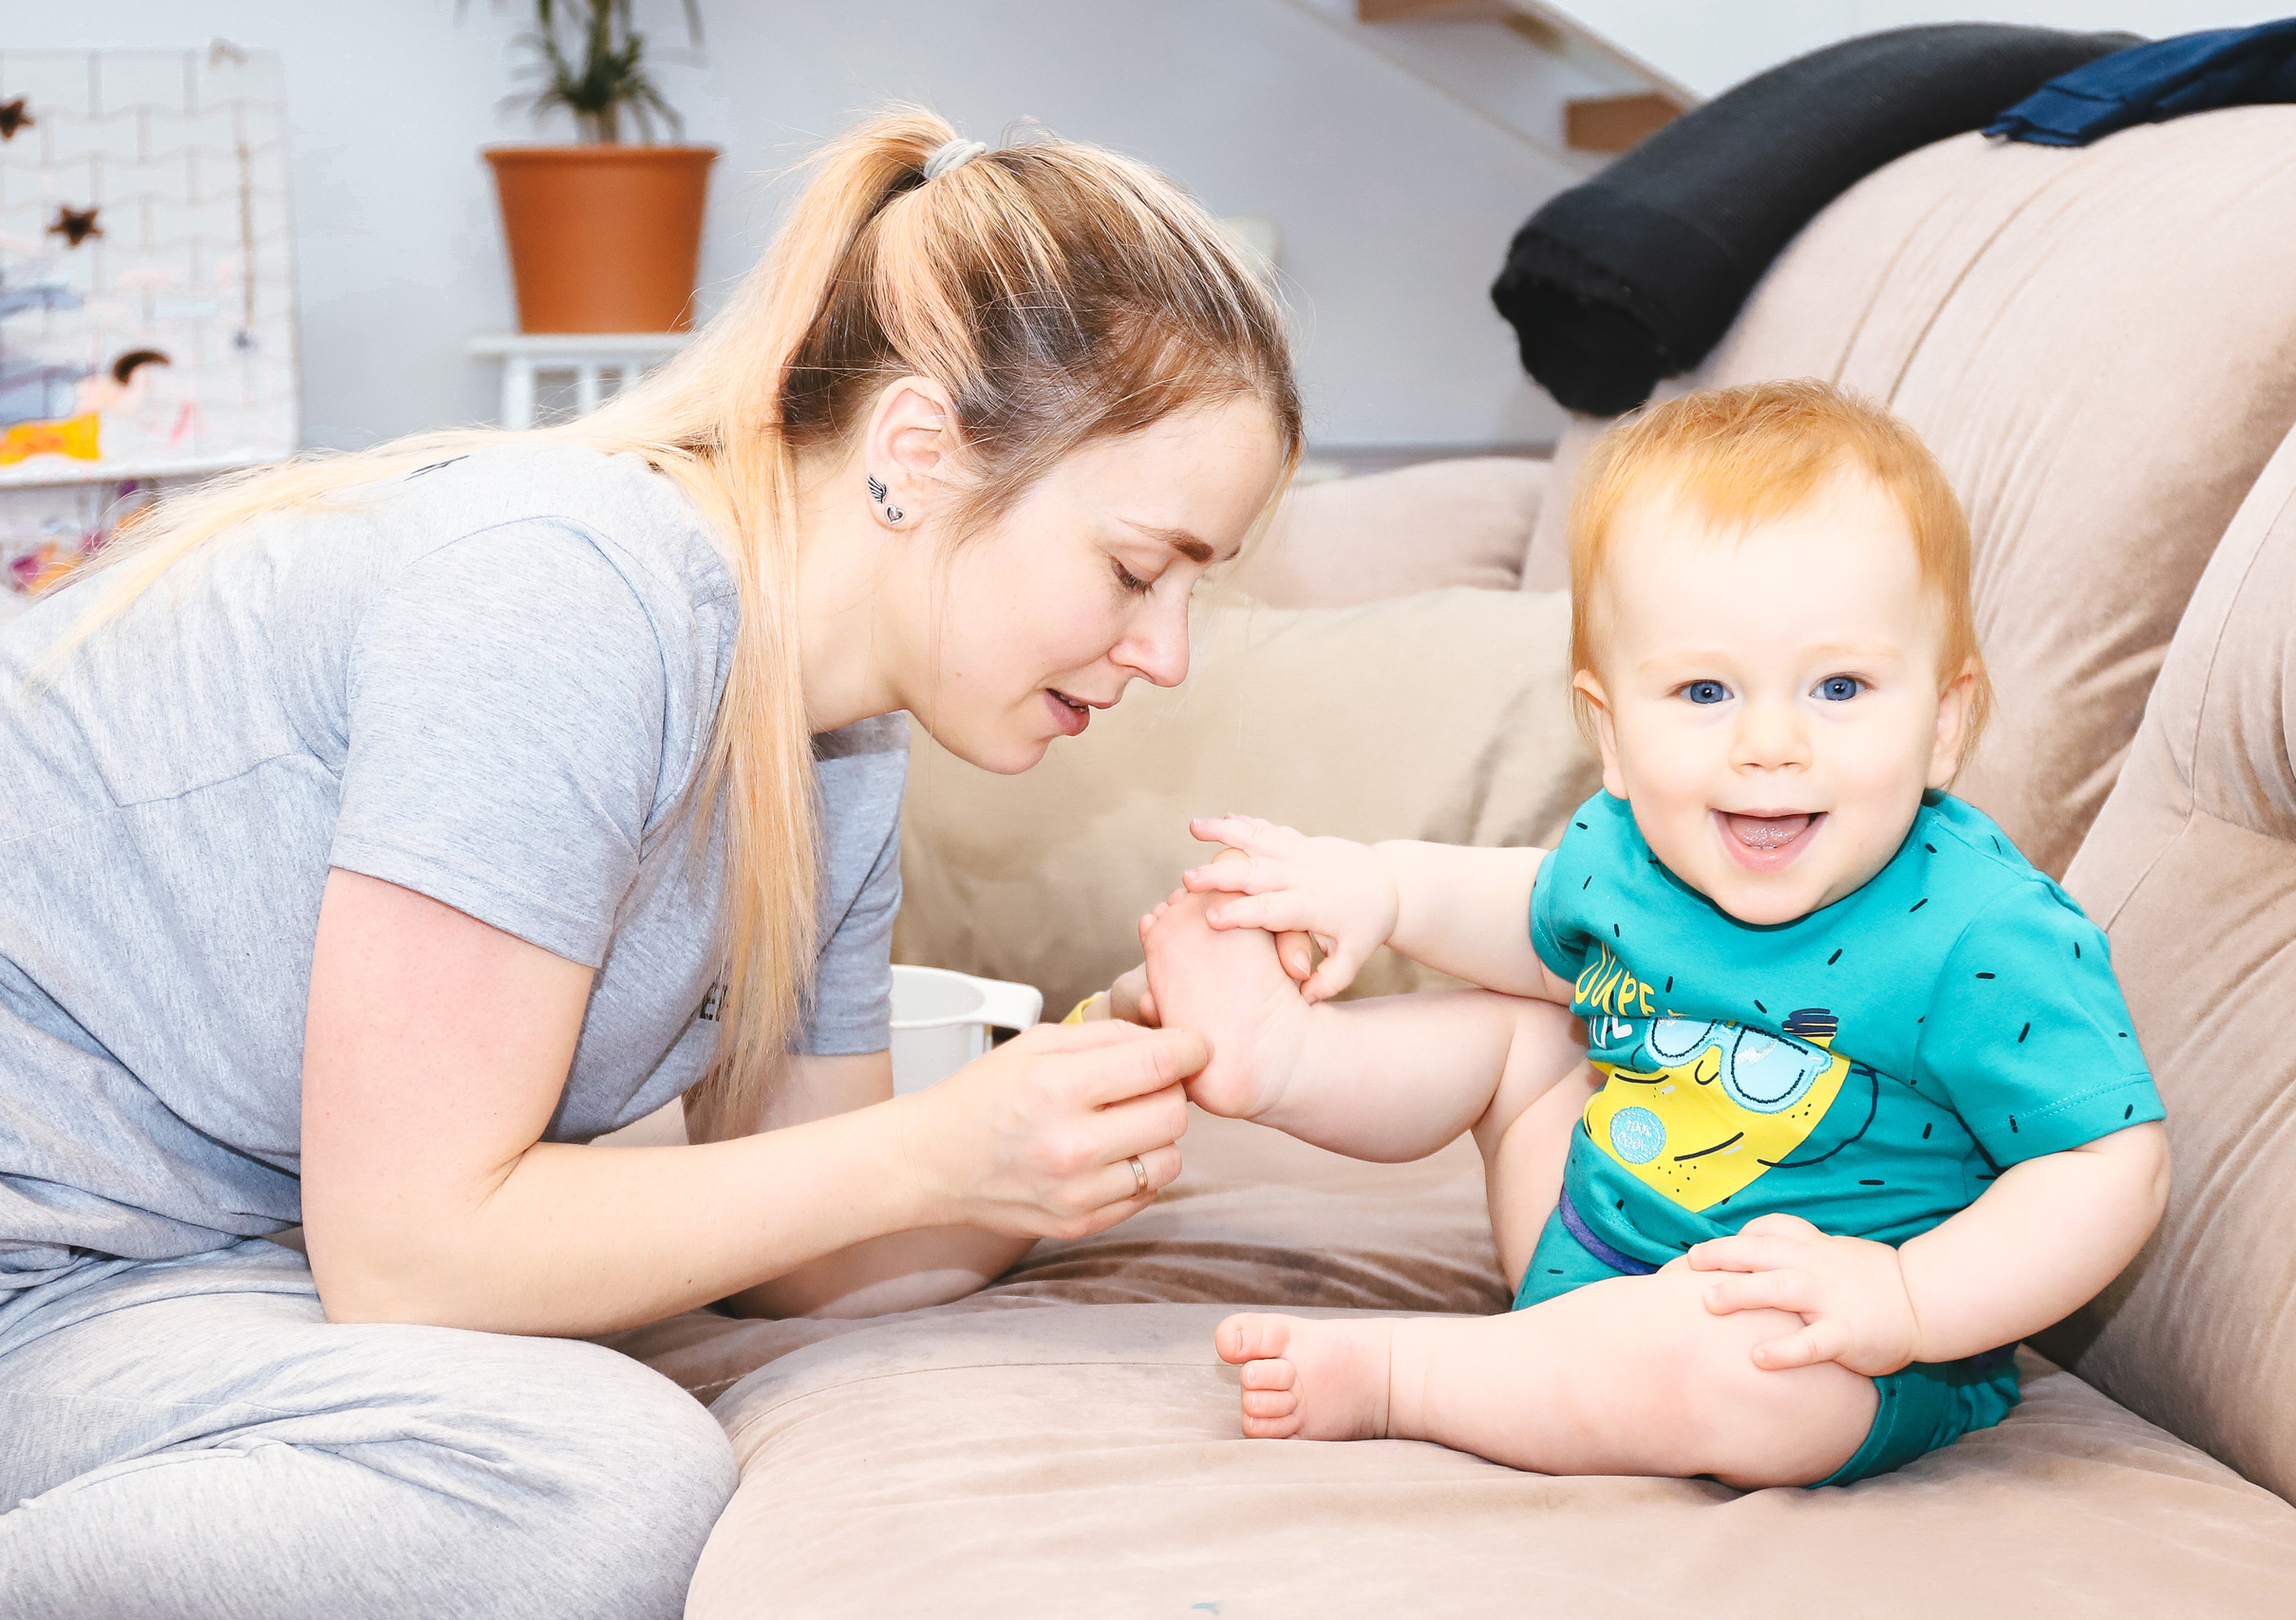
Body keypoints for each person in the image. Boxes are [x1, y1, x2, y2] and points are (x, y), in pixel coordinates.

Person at [0, 111, 1297, 1619]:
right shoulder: (562, 596)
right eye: (1137, 569)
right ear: (916, 451)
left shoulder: (842, 750)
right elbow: (412, 1258)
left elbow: (823, 1256)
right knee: (596, 1483)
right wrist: (929, 1149)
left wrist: (1103, 1082)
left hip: (202, 1265)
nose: (1167, 654)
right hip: (55, 1267)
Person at [1137, 380, 2171, 1490]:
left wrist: (1908, 1299)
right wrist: (1379, 888)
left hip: (1823, 1341)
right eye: (1704, 690)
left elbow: (2109, 1162)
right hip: (1582, 1240)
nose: (1768, 741)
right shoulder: (1629, 849)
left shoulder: (1985, 934)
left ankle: (1411, 1376)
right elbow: (1529, 920)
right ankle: (1286, 1057)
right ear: (1613, 736)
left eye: (1837, 685)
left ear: (1943, 723)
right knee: (1521, 1031)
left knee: (1754, 1381)